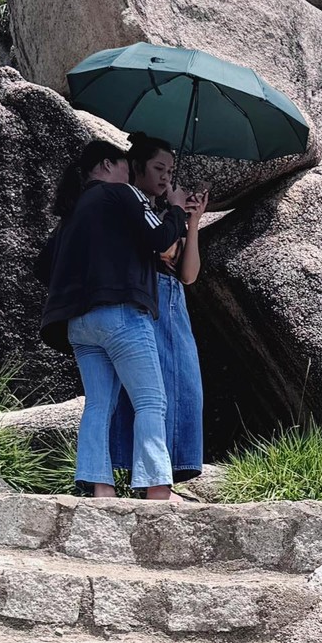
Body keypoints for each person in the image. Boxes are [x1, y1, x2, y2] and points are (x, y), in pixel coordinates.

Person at [34, 141, 180, 500]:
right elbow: (160, 237)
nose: (129, 172)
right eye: (124, 165)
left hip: (79, 324)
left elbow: (42, 266)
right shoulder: (122, 194)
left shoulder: (72, 212)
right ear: (106, 165)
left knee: (99, 404)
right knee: (150, 401)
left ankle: (101, 488)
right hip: (121, 315)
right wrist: (176, 209)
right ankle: (156, 489)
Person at [109, 134, 208, 488]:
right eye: (158, 168)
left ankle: (171, 472)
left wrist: (192, 222)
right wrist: (176, 212)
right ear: (137, 168)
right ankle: (146, 478)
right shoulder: (132, 206)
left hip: (173, 303)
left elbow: (188, 274)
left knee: (185, 387)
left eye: (170, 170)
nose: (166, 176)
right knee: (148, 392)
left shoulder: (168, 215)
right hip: (144, 301)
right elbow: (156, 248)